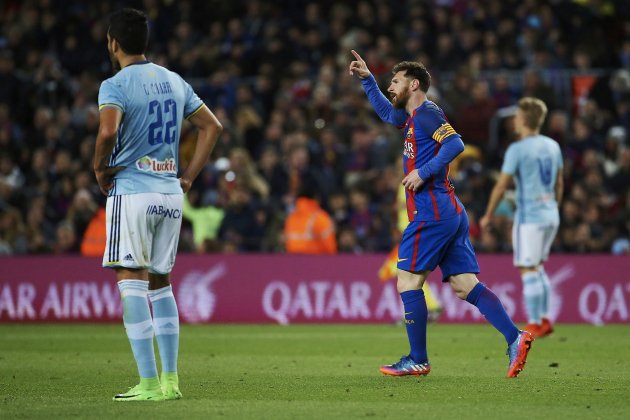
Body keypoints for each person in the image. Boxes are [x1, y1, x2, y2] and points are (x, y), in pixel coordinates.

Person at [349, 50, 532, 378]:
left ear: (414, 84)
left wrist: (423, 171)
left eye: (395, 81)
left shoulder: (429, 114)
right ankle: (515, 337)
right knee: (464, 286)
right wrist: (367, 81)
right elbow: (388, 115)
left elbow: (456, 144)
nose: (390, 86)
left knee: (406, 281)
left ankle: (417, 357)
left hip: (431, 213)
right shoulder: (410, 117)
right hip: (449, 211)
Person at [94, 9, 222, 401]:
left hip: (132, 190)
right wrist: (188, 177)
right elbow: (212, 127)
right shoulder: (173, 80)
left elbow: (109, 130)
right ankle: (171, 382)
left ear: (113, 43)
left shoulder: (114, 85)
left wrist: (99, 169)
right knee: (161, 282)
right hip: (170, 193)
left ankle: (148, 383)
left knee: (130, 277)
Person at [480, 97, 563, 339]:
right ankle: (545, 319)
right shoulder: (552, 146)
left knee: (527, 268)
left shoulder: (518, 149)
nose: (514, 120)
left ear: (524, 119)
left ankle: (535, 322)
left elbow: (501, 186)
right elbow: (559, 183)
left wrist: (488, 214)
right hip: (550, 214)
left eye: (517, 116)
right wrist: (553, 207)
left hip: (530, 217)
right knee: (537, 266)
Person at [284, 176, 337, 254]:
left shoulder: (291, 218)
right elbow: (330, 248)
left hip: (293, 263)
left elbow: (289, 245)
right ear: (315, 197)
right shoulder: (320, 218)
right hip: (316, 263)